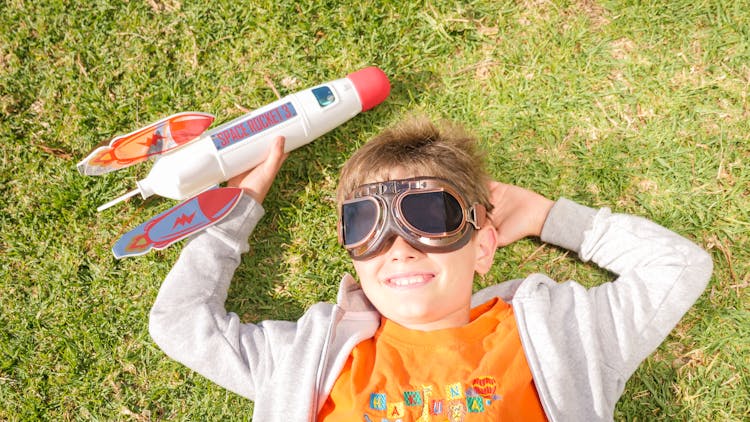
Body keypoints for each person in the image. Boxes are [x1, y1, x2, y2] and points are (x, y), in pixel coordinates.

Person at [149, 117, 713, 421]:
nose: (399, 246)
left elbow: (676, 266)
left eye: (428, 216)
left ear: (484, 245)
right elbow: (179, 323)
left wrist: (548, 216)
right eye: (367, 222)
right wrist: (235, 211)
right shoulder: (304, 358)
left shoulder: (565, 336)